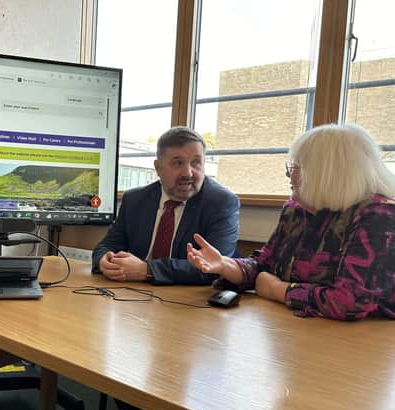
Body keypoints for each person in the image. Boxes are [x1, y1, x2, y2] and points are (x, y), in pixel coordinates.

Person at [187, 123, 395, 320]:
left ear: (324, 173)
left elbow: (349, 302)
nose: (289, 173)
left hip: (363, 343)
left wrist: (276, 289)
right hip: (299, 329)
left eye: (295, 167)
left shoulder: (379, 216)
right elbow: (263, 266)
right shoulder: (296, 210)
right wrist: (224, 264)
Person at [92, 126, 239, 284]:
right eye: (178, 163)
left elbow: (216, 267)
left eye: (196, 163)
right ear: (158, 168)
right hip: (133, 294)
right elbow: (107, 245)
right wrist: (104, 261)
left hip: (188, 300)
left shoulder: (221, 202)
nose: (188, 173)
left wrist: (147, 270)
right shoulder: (135, 200)